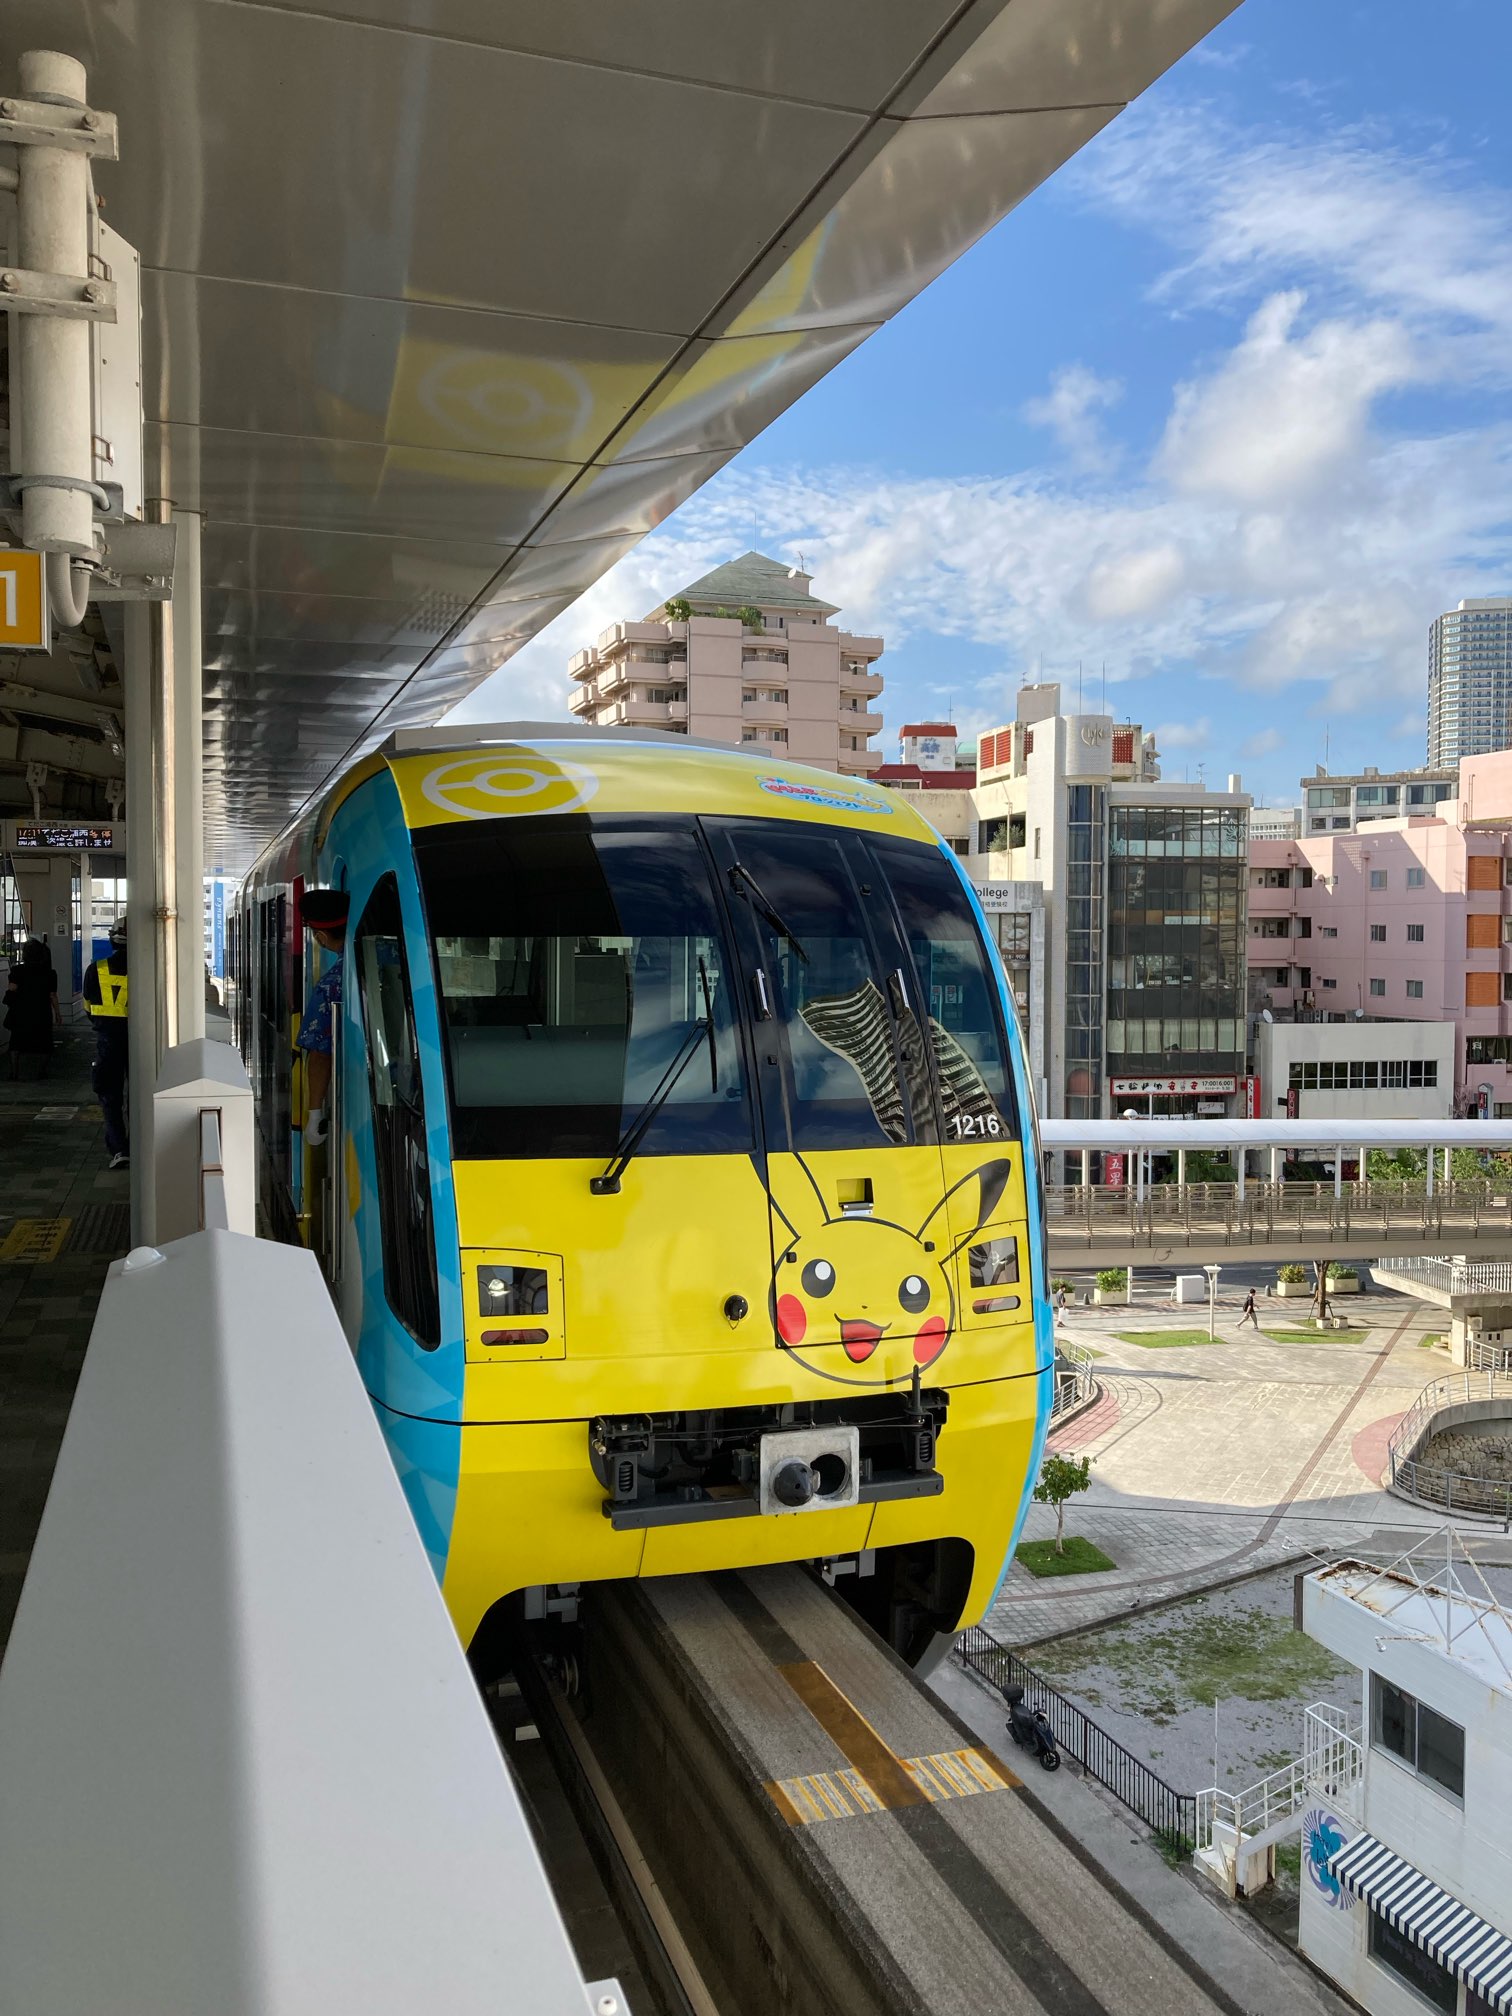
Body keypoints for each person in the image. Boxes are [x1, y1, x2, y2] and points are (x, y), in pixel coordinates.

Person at [296, 889, 348, 1147]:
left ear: (321, 937)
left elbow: (320, 1055)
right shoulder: (389, 954)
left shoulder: (331, 984)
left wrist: (315, 1114)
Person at [84, 917, 130, 1170]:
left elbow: (88, 1008)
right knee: (141, 1094)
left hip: (108, 1041)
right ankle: (142, 1141)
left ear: (113, 940)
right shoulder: (149, 969)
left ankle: (120, 1149)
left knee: (110, 1096)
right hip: (142, 1041)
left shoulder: (96, 969)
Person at [3, 938, 61, 1080]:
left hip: (20, 1011)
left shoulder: (17, 970)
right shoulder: (50, 973)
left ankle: (14, 1073)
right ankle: (41, 1071)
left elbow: (12, 988)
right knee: (45, 1043)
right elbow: (52, 995)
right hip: (41, 1011)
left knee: (16, 1043)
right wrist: (57, 1013)